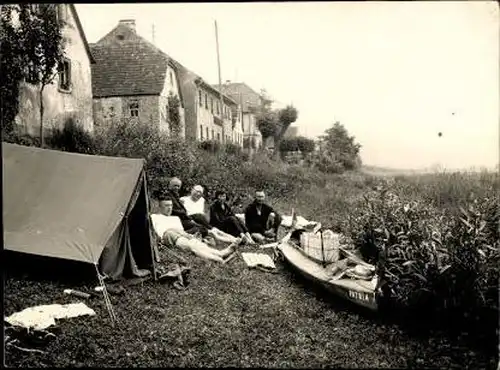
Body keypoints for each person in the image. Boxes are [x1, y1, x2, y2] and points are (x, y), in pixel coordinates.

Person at [151, 197, 239, 264]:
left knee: (195, 243)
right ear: (159, 207)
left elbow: (182, 232)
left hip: (180, 236)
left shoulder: (176, 218)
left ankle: (220, 254)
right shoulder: (154, 217)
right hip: (168, 236)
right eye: (166, 205)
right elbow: (155, 233)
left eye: (170, 205)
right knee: (189, 244)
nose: (169, 208)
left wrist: (189, 236)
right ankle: (219, 258)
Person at [164, 177, 238, 245]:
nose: (176, 188)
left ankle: (229, 238)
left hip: (188, 219)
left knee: (201, 220)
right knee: (202, 226)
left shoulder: (176, 196)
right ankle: (229, 239)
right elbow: (175, 211)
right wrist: (189, 218)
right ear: (170, 185)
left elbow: (182, 211)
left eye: (178, 186)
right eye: (175, 186)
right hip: (180, 220)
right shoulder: (170, 196)